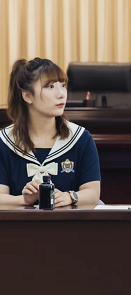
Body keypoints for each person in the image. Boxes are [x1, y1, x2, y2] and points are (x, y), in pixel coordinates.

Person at [0, 58, 101, 206]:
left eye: (63, 85)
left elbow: (93, 193)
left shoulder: (80, 138)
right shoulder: (5, 141)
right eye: (51, 86)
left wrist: (69, 197)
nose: (61, 94)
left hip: (70, 221)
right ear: (27, 96)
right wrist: (24, 200)